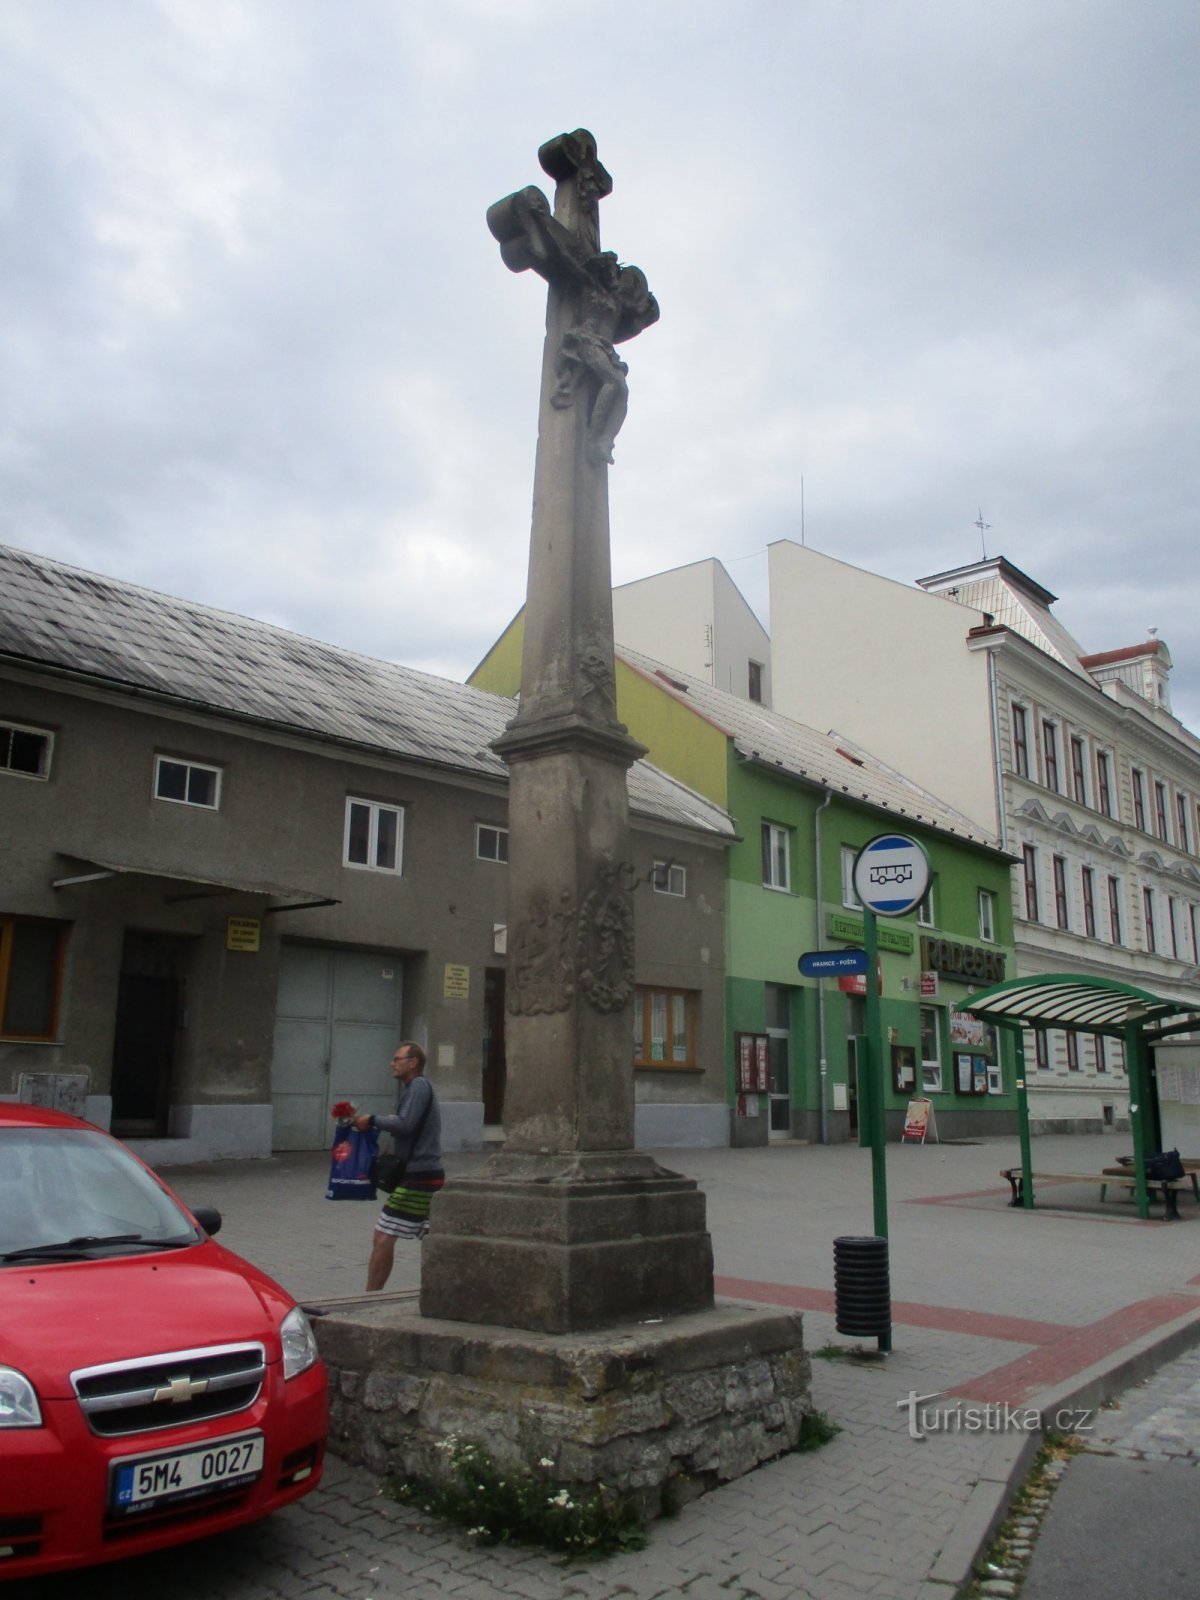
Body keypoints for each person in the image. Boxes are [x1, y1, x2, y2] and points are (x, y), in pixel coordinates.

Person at [352, 1042, 443, 1291]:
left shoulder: (419, 1086)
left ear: (412, 1062)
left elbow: (406, 1124)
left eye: (397, 1059)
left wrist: (372, 1120)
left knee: (383, 1234)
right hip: (424, 1173)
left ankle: (369, 1299)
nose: (392, 1063)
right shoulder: (415, 1088)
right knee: (434, 1235)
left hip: (419, 1175)